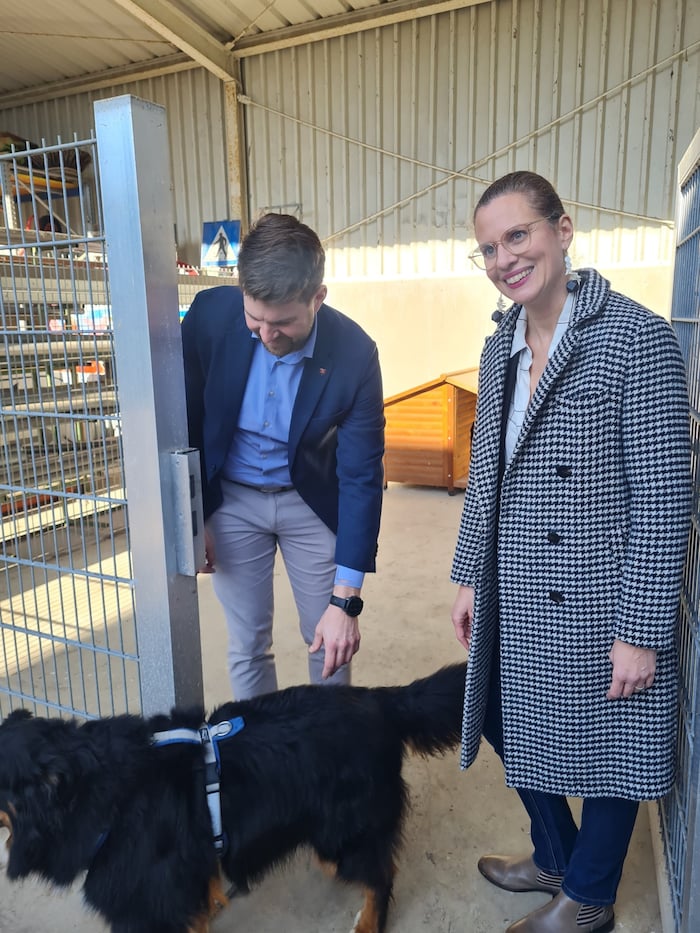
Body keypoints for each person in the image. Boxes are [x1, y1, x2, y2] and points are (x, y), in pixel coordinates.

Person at [450, 171, 692, 933]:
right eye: (488, 247)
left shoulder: (634, 336)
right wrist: (465, 574)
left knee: (616, 740)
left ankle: (587, 897)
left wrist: (642, 628)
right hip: (515, 585)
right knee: (494, 708)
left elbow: (664, 495)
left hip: (600, 594)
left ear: (563, 229)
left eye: (517, 235)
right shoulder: (499, 347)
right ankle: (556, 854)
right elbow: (485, 469)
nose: (503, 258)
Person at [181, 212, 385, 699]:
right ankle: (260, 764)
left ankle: (329, 754)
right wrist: (196, 515)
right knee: (247, 644)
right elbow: (184, 420)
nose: (267, 336)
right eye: (255, 320)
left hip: (309, 499)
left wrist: (347, 600)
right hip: (232, 498)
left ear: (318, 297)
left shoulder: (355, 354)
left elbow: (361, 475)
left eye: (283, 323)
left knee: (327, 639)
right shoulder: (209, 316)